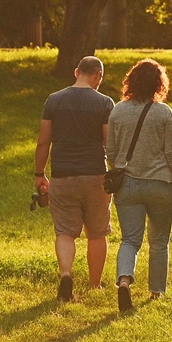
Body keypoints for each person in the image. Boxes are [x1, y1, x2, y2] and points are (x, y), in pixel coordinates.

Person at [109, 57, 172, 313]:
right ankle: (156, 292)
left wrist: (119, 167)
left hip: (127, 185)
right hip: (160, 185)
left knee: (130, 239)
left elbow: (110, 150)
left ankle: (123, 280)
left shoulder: (118, 110)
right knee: (159, 241)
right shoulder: (163, 112)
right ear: (159, 84)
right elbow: (171, 153)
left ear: (131, 81)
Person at [35, 56, 116, 302]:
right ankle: (94, 285)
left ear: (76, 71)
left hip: (62, 176)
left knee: (65, 232)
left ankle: (66, 274)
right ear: (98, 76)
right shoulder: (105, 103)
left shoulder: (54, 100)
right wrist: (116, 172)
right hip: (96, 176)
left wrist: (40, 175)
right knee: (97, 232)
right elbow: (109, 143)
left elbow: (43, 142)